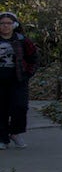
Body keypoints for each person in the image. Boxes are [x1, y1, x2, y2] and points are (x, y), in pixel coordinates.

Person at [0, 12, 39, 150]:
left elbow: (33, 57)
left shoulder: (22, 40)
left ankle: (15, 133)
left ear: (14, 25)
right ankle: (3, 138)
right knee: (2, 109)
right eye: (2, 23)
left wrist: (28, 72)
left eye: (8, 23)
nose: (5, 26)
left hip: (18, 79)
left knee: (20, 107)